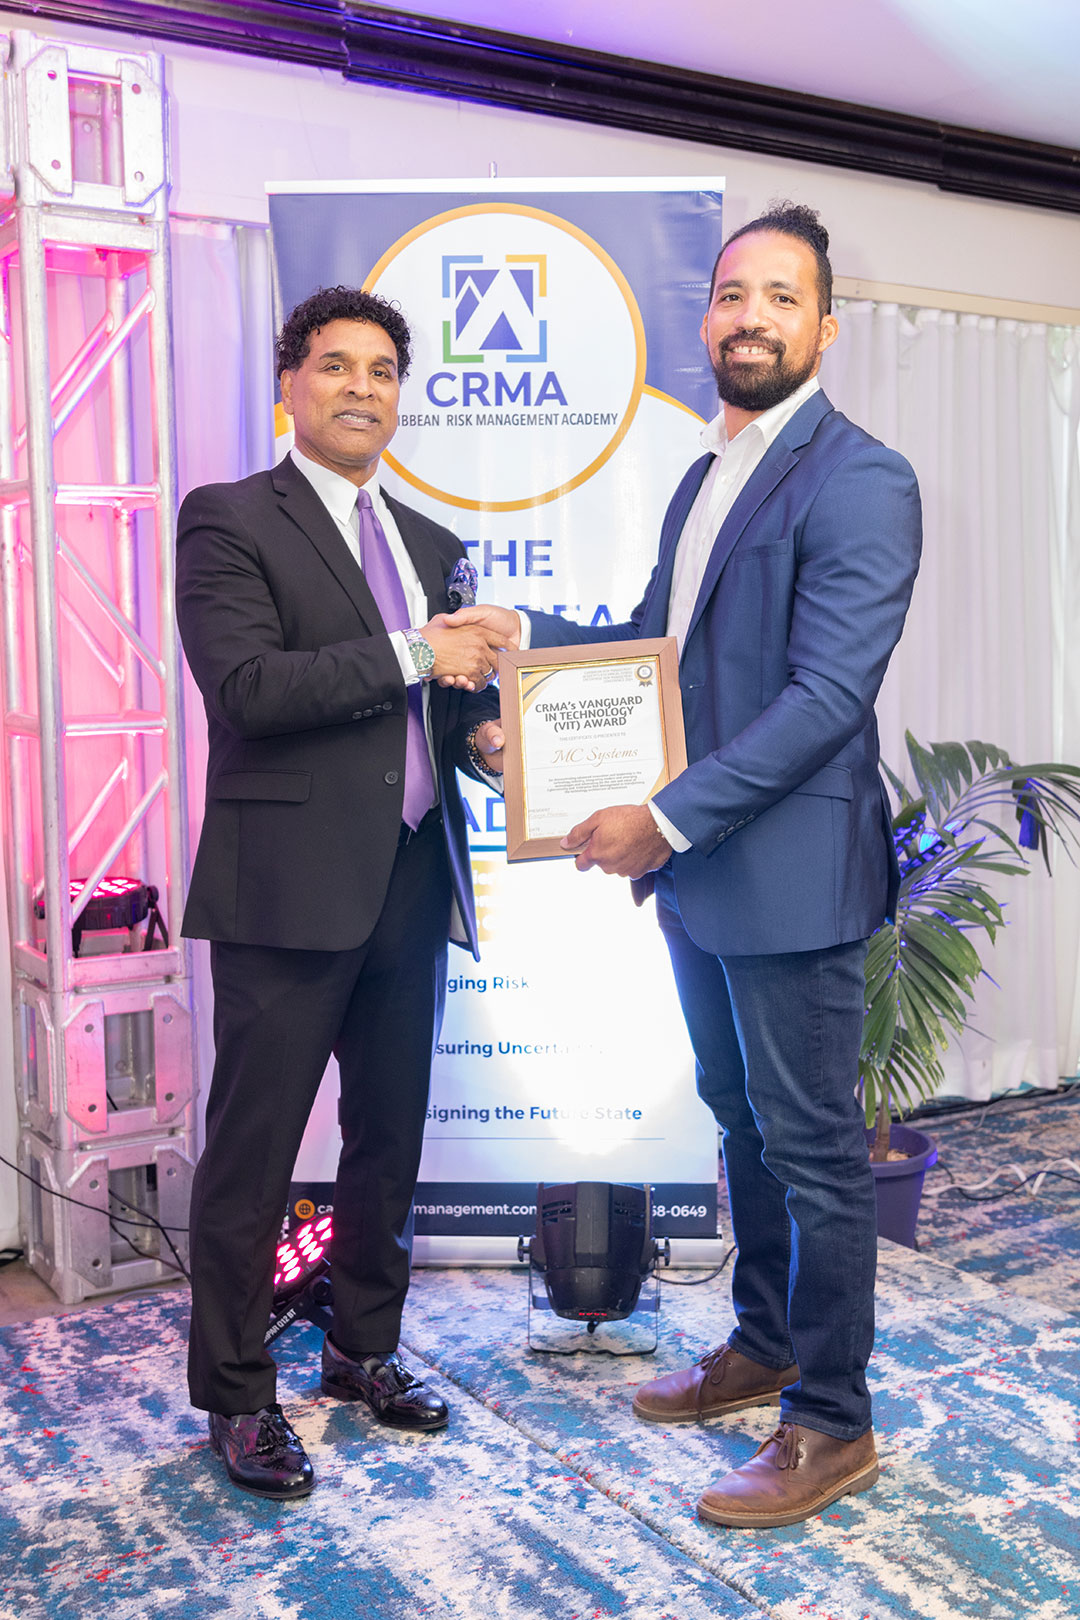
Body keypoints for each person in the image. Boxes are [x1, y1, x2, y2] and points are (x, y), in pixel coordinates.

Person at [448, 203, 922, 1530]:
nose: (751, 316)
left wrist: (662, 818)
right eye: (731, 295)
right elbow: (653, 656)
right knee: (741, 1121)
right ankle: (765, 1347)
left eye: (781, 296)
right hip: (708, 884)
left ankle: (833, 1423)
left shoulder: (862, 478)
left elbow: (827, 694)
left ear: (825, 326)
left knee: (817, 1152)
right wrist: (529, 648)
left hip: (784, 876)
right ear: (704, 319)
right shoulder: (705, 476)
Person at [176, 286, 508, 1500]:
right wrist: (428, 650)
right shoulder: (226, 519)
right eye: (336, 367)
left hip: (413, 879)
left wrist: (491, 739)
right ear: (290, 386)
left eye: (382, 370)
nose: (362, 387)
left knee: (388, 1143)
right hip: (286, 892)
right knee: (254, 1156)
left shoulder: (429, 545)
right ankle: (236, 1395)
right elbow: (251, 690)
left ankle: (363, 1352)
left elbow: (452, 711)